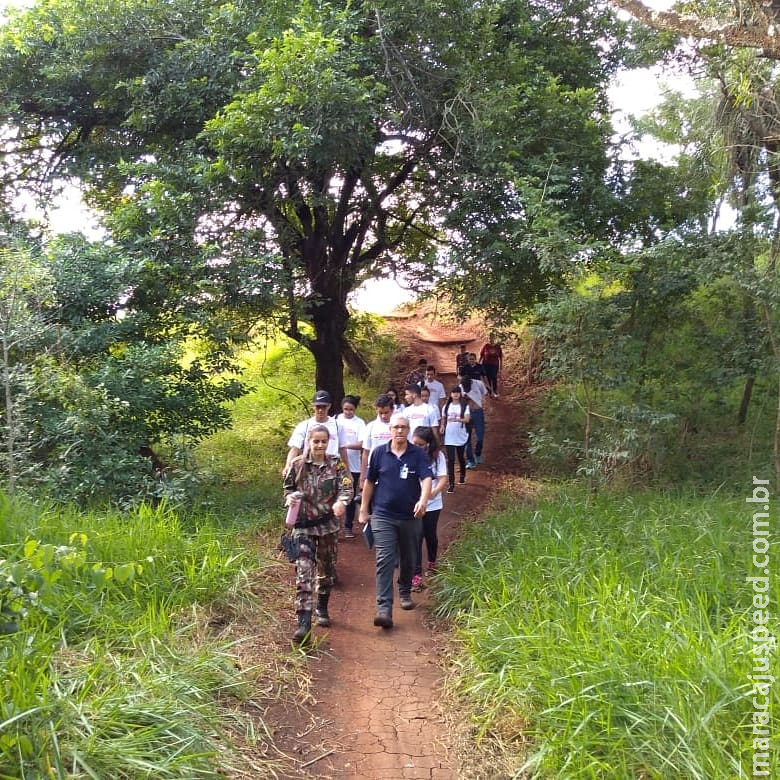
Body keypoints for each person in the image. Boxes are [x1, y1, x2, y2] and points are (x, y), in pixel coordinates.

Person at [358, 414, 432, 628]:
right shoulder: (379, 452)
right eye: (396, 427)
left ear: (408, 430)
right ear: (390, 430)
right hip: (383, 515)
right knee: (385, 559)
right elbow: (370, 482)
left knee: (409, 557)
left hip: (411, 516)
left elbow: (426, 478)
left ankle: (405, 590)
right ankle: (384, 608)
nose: (399, 431)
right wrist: (364, 509)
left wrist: (423, 501)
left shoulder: (417, 454)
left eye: (403, 427)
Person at [283, 424, 353, 643]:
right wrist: (290, 497)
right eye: (316, 441)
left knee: (327, 570)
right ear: (309, 442)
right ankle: (303, 623)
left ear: (328, 441)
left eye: (323, 441)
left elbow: (347, 486)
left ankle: (322, 607)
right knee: (304, 572)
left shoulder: (336, 464)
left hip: (328, 527)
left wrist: (342, 502)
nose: (320, 445)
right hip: (303, 526)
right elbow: (287, 487)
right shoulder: (298, 464)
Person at [410, 426, 448, 591]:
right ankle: (416, 575)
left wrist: (433, 493)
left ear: (428, 443)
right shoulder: (409, 454)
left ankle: (432, 562)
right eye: (415, 443)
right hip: (413, 502)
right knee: (416, 537)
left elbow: (442, 478)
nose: (416, 446)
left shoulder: (438, 456)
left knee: (429, 534)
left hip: (432, 503)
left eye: (420, 444)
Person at [283, 390, 348, 475]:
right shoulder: (304, 425)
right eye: (318, 406)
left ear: (329, 406)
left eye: (323, 406)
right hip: (309, 469)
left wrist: (347, 472)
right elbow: (295, 448)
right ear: (313, 406)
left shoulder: (338, 425)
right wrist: (288, 466)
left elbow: (342, 450)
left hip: (332, 468)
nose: (320, 410)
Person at [336, 395, 365, 539]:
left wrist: (344, 446)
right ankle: (336, 526)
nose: (348, 412)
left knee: (350, 496)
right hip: (336, 465)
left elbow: (362, 444)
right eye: (346, 409)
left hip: (353, 466)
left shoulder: (359, 423)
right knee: (336, 495)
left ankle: (348, 526)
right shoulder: (336, 420)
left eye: (351, 409)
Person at [359, 393, 394, 489]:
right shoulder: (371, 426)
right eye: (380, 413)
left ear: (392, 410)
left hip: (393, 468)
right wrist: (362, 477)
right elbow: (366, 452)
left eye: (386, 412)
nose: (383, 416)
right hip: (374, 469)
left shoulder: (397, 426)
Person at [440, 385, 470, 492]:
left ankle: (462, 475)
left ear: (460, 394)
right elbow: (443, 417)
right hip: (449, 436)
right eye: (453, 392)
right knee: (451, 460)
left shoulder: (464, 406)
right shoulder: (446, 407)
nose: (455, 394)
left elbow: (467, 419)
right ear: (451, 394)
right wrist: (442, 426)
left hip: (460, 435)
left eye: (457, 392)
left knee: (461, 457)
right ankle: (451, 484)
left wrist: (458, 419)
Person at [458, 375, 488, 468]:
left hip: (478, 412)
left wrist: (484, 405)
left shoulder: (478, 384)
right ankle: (470, 460)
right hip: (467, 413)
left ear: (471, 382)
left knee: (480, 436)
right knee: (467, 438)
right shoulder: (460, 387)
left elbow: (485, 395)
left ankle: (478, 453)